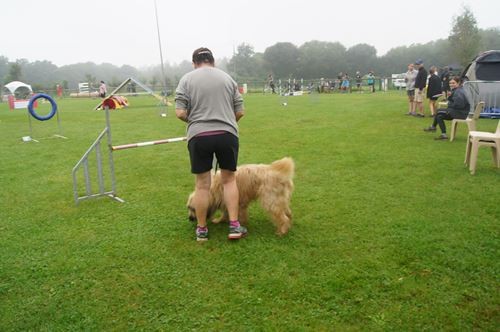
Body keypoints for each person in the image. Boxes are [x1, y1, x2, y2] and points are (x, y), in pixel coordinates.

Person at [175, 47, 246, 241]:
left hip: (199, 136)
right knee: (229, 180)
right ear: (213, 61)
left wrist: (196, 122)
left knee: (202, 185)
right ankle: (234, 226)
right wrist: (226, 123)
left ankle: (202, 229)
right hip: (227, 134)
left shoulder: (186, 79)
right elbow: (240, 111)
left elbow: (180, 112)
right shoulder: (228, 79)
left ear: (194, 63)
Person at [423, 76, 470, 140]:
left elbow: (459, 105)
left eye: (453, 83)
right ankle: (443, 134)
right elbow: (455, 102)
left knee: (438, 111)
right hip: (461, 112)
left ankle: (434, 127)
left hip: (459, 113)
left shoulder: (458, 92)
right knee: (439, 116)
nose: (451, 85)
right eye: (450, 83)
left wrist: (449, 104)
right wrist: (450, 98)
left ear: (458, 83)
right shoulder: (459, 90)